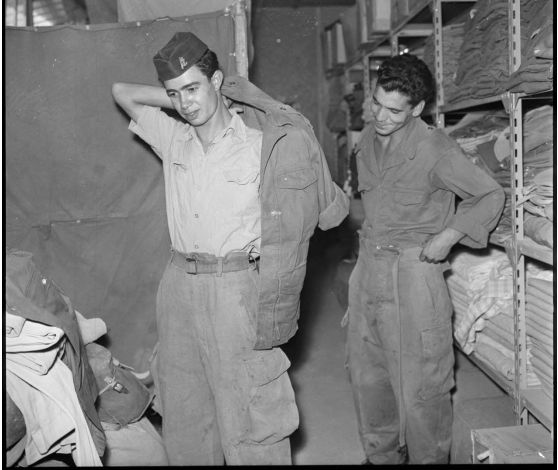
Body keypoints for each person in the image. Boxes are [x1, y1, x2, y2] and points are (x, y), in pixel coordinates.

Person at [112, 31, 349, 465]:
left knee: (251, 414)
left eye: (193, 89)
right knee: (184, 412)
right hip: (179, 288)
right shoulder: (174, 139)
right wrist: (184, 90)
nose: (185, 103)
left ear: (217, 80)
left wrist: (235, 93)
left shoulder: (264, 145)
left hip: (238, 288)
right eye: (174, 94)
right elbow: (121, 92)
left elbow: (330, 209)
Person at [346, 54, 505, 465]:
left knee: (422, 389)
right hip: (369, 270)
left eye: (394, 110)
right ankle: (382, 457)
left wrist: (450, 235)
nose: (381, 115)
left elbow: (490, 194)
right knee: (369, 378)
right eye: (378, 103)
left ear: (417, 109)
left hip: (413, 274)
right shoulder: (366, 139)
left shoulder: (436, 148)